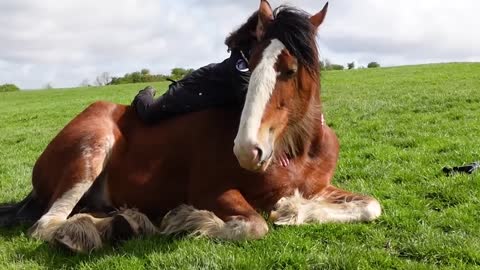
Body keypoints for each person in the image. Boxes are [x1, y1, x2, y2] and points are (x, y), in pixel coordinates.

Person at [131, 12, 259, 124]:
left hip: (209, 93)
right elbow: (246, 96)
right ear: (253, 31)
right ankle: (145, 93)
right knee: (149, 114)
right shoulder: (240, 58)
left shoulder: (255, 54)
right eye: (263, 28)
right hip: (193, 88)